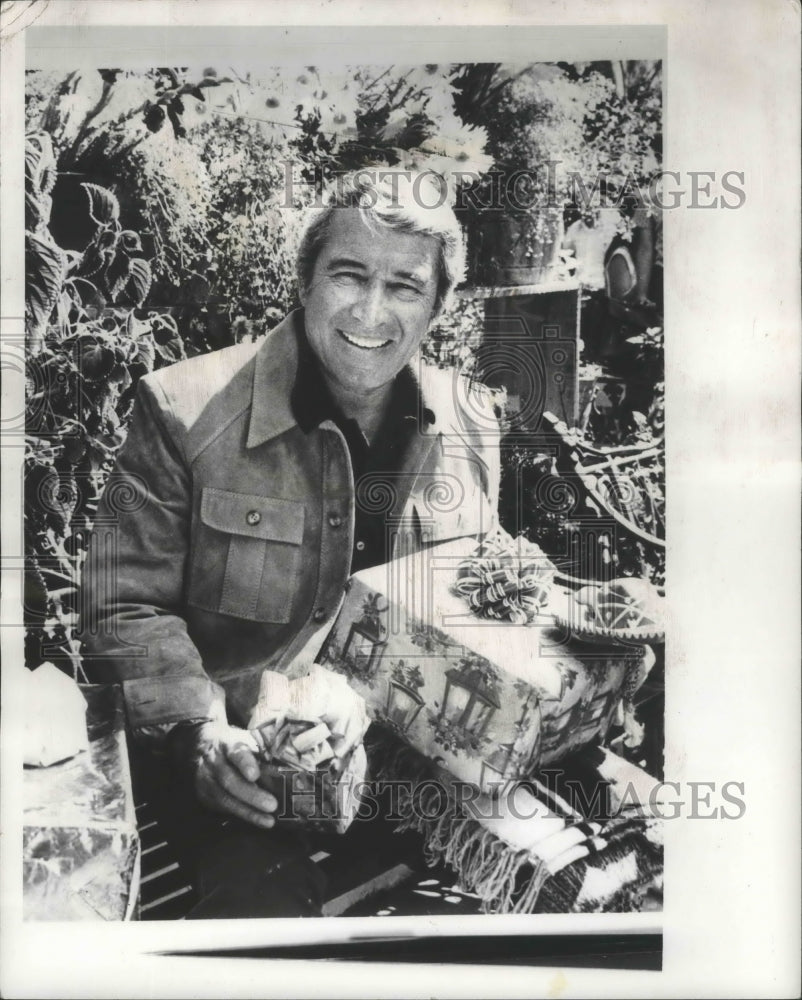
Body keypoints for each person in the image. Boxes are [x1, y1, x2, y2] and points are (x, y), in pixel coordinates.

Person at [79, 170, 501, 917]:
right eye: (349, 275)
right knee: (260, 927)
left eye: (405, 286)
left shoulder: (471, 422)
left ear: (440, 305)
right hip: (243, 771)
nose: (372, 311)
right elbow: (122, 604)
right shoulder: (181, 409)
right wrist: (201, 734)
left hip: (417, 772)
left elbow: (479, 597)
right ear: (304, 279)